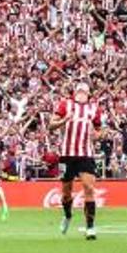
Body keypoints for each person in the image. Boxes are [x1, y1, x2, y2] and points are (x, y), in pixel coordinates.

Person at [48, 81, 103, 240]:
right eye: (79, 90)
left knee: (89, 188)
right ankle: (68, 215)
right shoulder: (66, 104)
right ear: (75, 92)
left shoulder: (94, 109)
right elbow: (51, 125)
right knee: (66, 193)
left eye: (85, 91)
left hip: (86, 154)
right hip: (67, 154)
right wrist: (65, 120)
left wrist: (97, 135)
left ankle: (90, 228)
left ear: (88, 94)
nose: (81, 93)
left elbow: (100, 129)